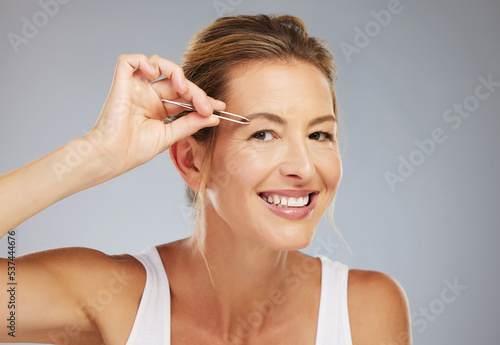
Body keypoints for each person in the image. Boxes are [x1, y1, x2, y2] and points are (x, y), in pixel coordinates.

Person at [0, 14, 411, 345]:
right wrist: (95, 154)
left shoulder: (366, 311)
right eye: (264, 134)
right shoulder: (111, 297)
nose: (303, 168)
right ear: (192, 162)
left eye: (319, 134)